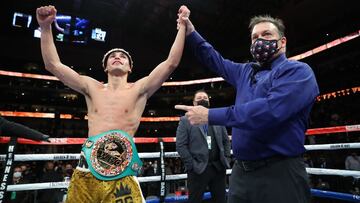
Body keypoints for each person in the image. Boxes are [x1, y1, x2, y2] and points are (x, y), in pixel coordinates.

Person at [36, 5, 186, 203]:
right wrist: (45, 28)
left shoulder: (139, 89)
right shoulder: (91, 86)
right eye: (112, 56)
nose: (117, 57)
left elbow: (171, 63)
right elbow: (53, 65)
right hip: (86, 169)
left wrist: (183, 25)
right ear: (105, 66)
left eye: (123, 56)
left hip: (121, 170)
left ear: (130, 67)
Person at [175, 5, 319, 203]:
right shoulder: (245, 72)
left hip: (280, 173)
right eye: (254, 37)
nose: (259, 40)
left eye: (266, 34)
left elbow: (269, 112)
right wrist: (190, 31)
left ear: (282, 42)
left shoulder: (298, 72)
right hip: (241, 175)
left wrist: (210, 115)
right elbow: (214, 58)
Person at [176, 90, 231, 203]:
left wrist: (226, 158)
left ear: (209, 102)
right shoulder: (185, 120)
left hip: (218, 167)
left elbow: (226, 141)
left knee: (221, 200)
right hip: (197, 169)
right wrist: (192, 164)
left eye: (205, 98)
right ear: (194, 103)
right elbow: (181, 145)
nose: (203, 99)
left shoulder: (216, 117)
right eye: (199, 98)